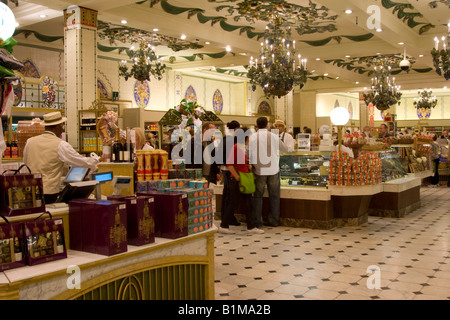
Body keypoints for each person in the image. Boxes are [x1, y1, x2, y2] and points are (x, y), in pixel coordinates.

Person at [23, 111, 99, 204]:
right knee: (49, 216)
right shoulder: (60, 144)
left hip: (31, 189)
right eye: (62, 126)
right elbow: (80, 161)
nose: (63, 130)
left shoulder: (30, 142)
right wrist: (97, 160)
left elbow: (26, 163)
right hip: (49, 192)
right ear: (57, 127)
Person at [219, 128, 263, 235]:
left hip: (243, 179)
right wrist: (237, 176)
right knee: (233, 203)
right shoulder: (235, 148)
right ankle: (224, 225)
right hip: (237, 181)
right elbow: (229, 164)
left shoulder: (241, 148)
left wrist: (247, 164)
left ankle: (251, 227)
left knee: (248, 203)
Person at [249, 116, 288, 228]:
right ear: (267, 125)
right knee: (274, 196)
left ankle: (258, 221)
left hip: (259, 170)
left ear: (256, 126)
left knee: (258, 196)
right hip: (273, 170)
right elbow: (285, 149)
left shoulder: (253, 137)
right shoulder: (274, 136)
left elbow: (247, 152)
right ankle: (274, 220)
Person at [217, 121, 241, 226]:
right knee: (230, 195)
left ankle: (225, 216)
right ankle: (228, 218)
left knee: (226, 193)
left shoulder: (224, 138)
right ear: (236, 129)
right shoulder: (233, 140)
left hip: (224, 168)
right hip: (229, 170)